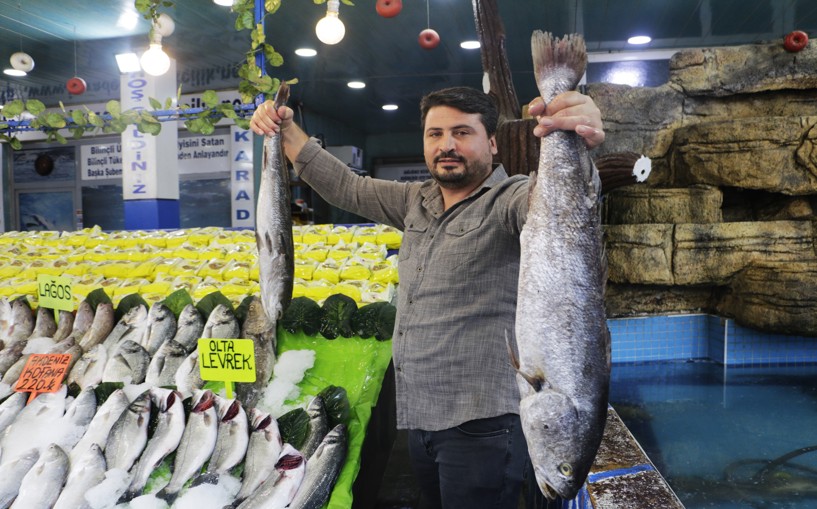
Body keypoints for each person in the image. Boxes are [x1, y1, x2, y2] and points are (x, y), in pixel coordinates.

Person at [250, 86, 604, 509]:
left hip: (484, 426)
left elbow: (560, 212)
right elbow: (346, 187)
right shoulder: (416, 201)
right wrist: (285, 129)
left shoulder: (511, 199)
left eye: (461, 132)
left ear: (491, 142)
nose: (446, 145)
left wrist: (580, 143)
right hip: (421, 418)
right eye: (434, 134)